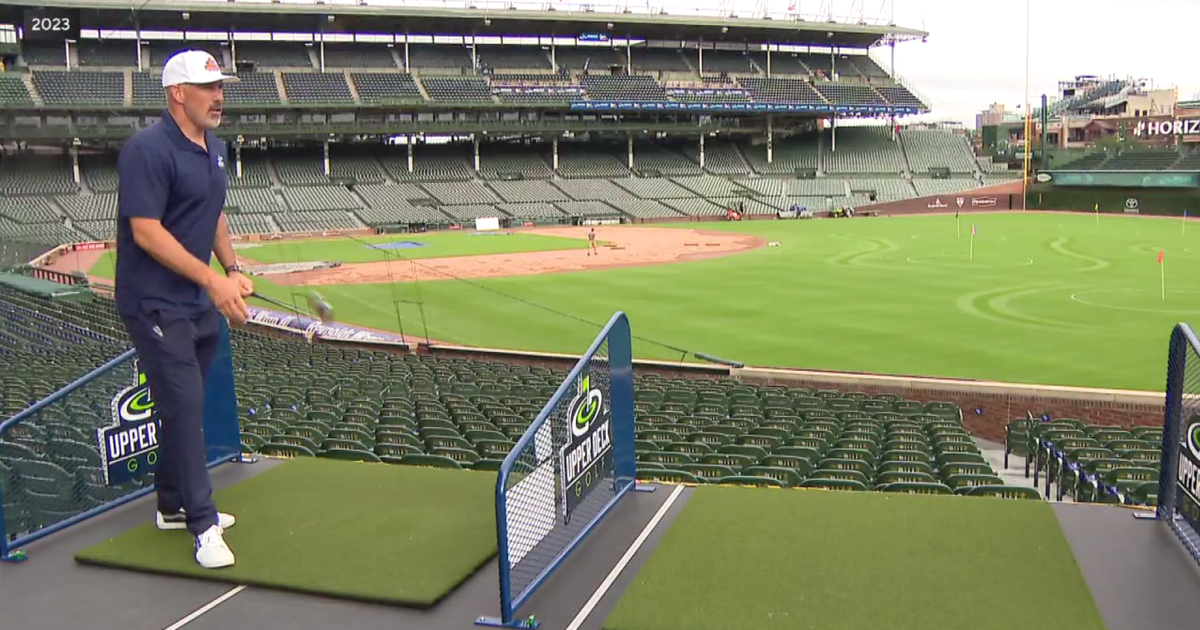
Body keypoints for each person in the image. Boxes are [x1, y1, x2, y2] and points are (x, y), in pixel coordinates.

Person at [114, 50, 250, 570]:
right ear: (177, 93)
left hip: (195, 300)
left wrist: (231, 269)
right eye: (206, 88)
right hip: (153, 302)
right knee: (187, 407)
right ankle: (203, 523)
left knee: (181, 407)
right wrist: (213, 280)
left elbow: (213, 214)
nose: (218, 97)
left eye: (220, 88)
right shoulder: (147, 149)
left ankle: (171, 504)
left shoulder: (215, 149)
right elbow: (146, 232)